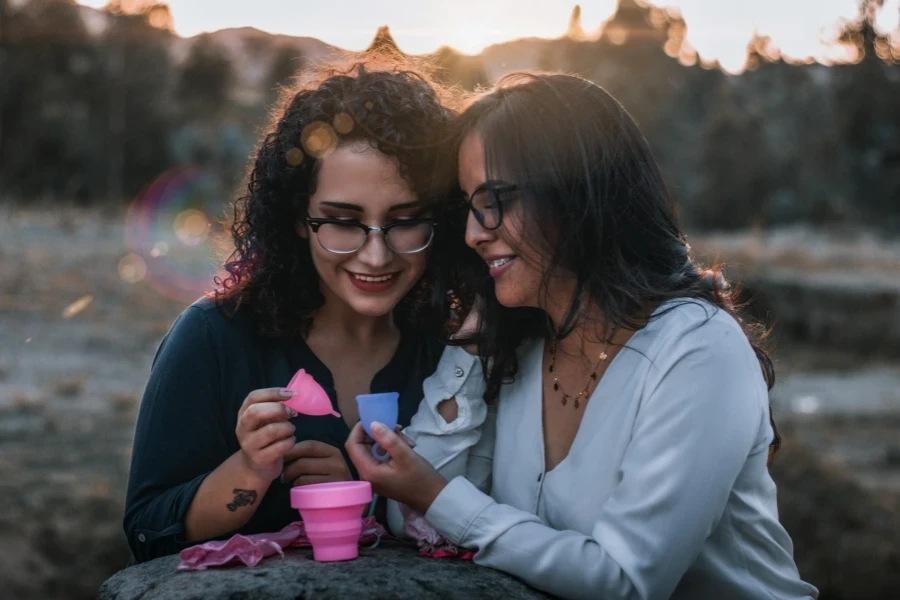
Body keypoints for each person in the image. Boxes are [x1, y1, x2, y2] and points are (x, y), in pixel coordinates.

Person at [346, 73, 819, 600]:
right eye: (468, 206)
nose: (474, 233)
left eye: (495, 199)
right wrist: (471, 342)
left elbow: (626, 581)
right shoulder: (523, 345)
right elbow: (407, 511)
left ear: (577, 194)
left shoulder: (697, 348)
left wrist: (439, 499)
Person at [123, 61, 474, 563]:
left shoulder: (454, 354)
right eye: (342, 222)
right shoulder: (212, 339)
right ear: (296, 220)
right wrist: (249, 471)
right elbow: (146, 532)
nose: (376, 256)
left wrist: (363, 494)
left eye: (405, 221)